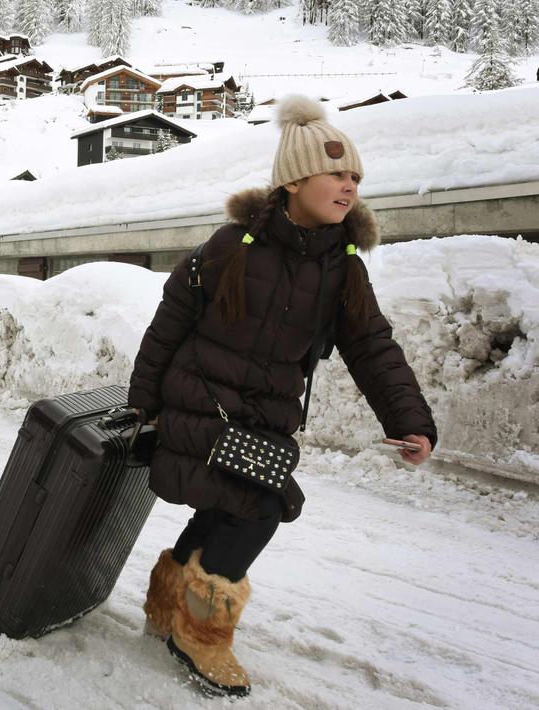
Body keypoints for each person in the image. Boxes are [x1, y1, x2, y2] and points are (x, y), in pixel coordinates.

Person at [126, 95, 437, 698]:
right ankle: (201, 631)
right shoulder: (230, 246)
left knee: (224, 508)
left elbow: (371, 345)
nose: (349, 186)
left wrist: (410, 418)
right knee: (262, 506)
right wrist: (145, 407)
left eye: (355, 176)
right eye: (336, 173)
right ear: (295, 180)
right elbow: (168, 325)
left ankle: (170, 605)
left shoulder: (342, 266)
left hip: (263, 419)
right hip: (198, 407)